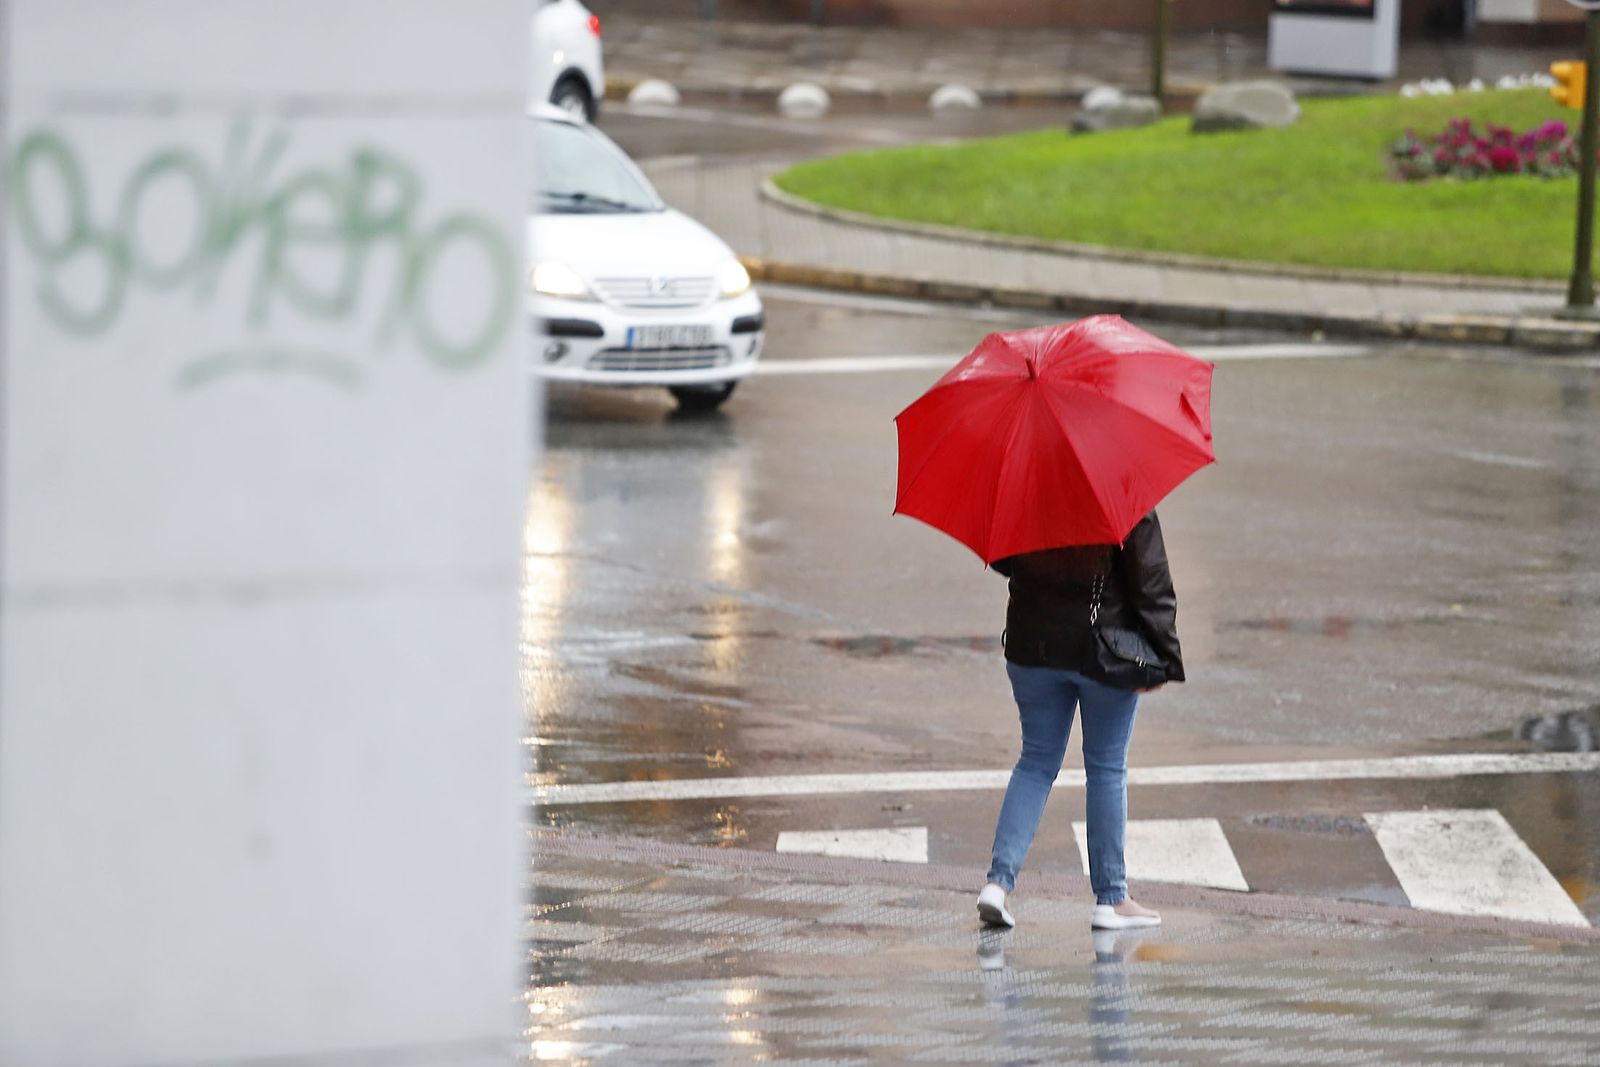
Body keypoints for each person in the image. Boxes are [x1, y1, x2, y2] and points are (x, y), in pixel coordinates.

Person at [976, 510, 1185, 932]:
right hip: (1103, 650)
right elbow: (1151, 582)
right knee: (1106, 769)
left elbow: (1002, 559)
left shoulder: (1025, 488)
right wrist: (1165, 658)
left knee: (1035, 763)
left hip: (1031, 647)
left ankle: (997, 884)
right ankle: (1112, 899)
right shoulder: (1122, 493)